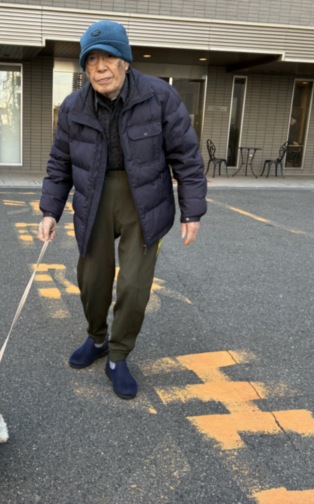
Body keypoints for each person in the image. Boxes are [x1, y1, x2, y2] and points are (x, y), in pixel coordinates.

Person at [37, 20, 207, 400]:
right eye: (91, 60)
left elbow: (186, 155)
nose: (100, 67)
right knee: (92, 279)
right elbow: (60, 163)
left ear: (125, 60)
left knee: (133, 284)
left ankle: (118, 355)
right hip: (93, 196)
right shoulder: (73, 107)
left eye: (109, 57)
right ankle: (97, 338)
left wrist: (191, 211)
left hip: (144, 198)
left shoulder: (159, 96)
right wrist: (50, 211)